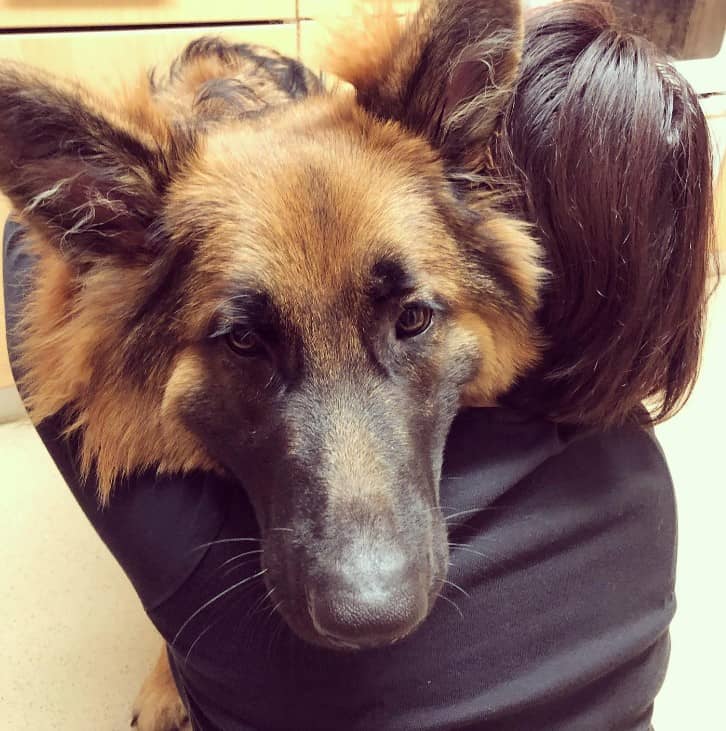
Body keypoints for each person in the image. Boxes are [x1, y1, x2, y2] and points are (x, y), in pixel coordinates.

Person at [2, 3, 715, 730]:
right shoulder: (651, 487)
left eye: (409, 321)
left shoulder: (187, 571)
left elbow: (22, 261)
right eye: (248, 343)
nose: (369, 582)